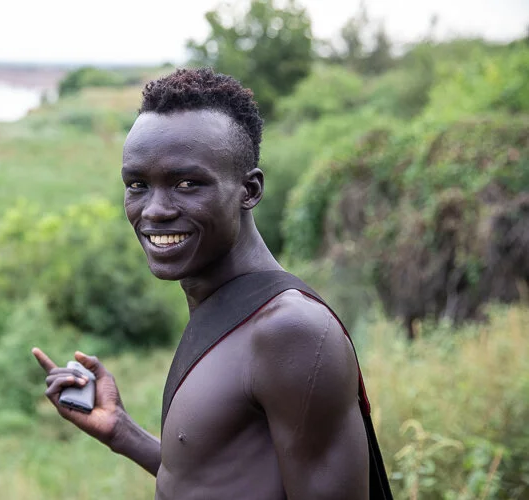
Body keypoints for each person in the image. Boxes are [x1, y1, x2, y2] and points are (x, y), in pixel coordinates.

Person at [32, 68, 389, 499]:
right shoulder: (222, 307)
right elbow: (214, 481)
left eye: (187, 184)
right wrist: (122, 432)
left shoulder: (291, 332)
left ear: (249, 190)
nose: (155, 210)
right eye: (138, 185)